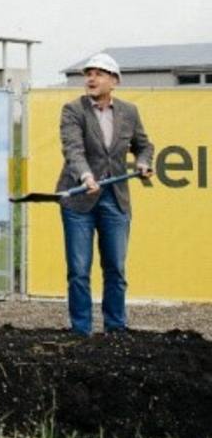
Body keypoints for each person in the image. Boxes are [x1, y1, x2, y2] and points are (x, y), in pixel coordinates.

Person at [57, 53, 153, 335]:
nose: (91, 78)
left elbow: (144, 145)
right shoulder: (72, 110)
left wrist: (144, 162)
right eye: (89, 73)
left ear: (114, 81)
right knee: (79, 271)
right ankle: (81, 331)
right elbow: (72, 149)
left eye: (99, 73)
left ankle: (116, 328)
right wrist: (86, 176)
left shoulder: (129, 112)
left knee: (115, 269)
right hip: (79, 201)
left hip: (115, 200)